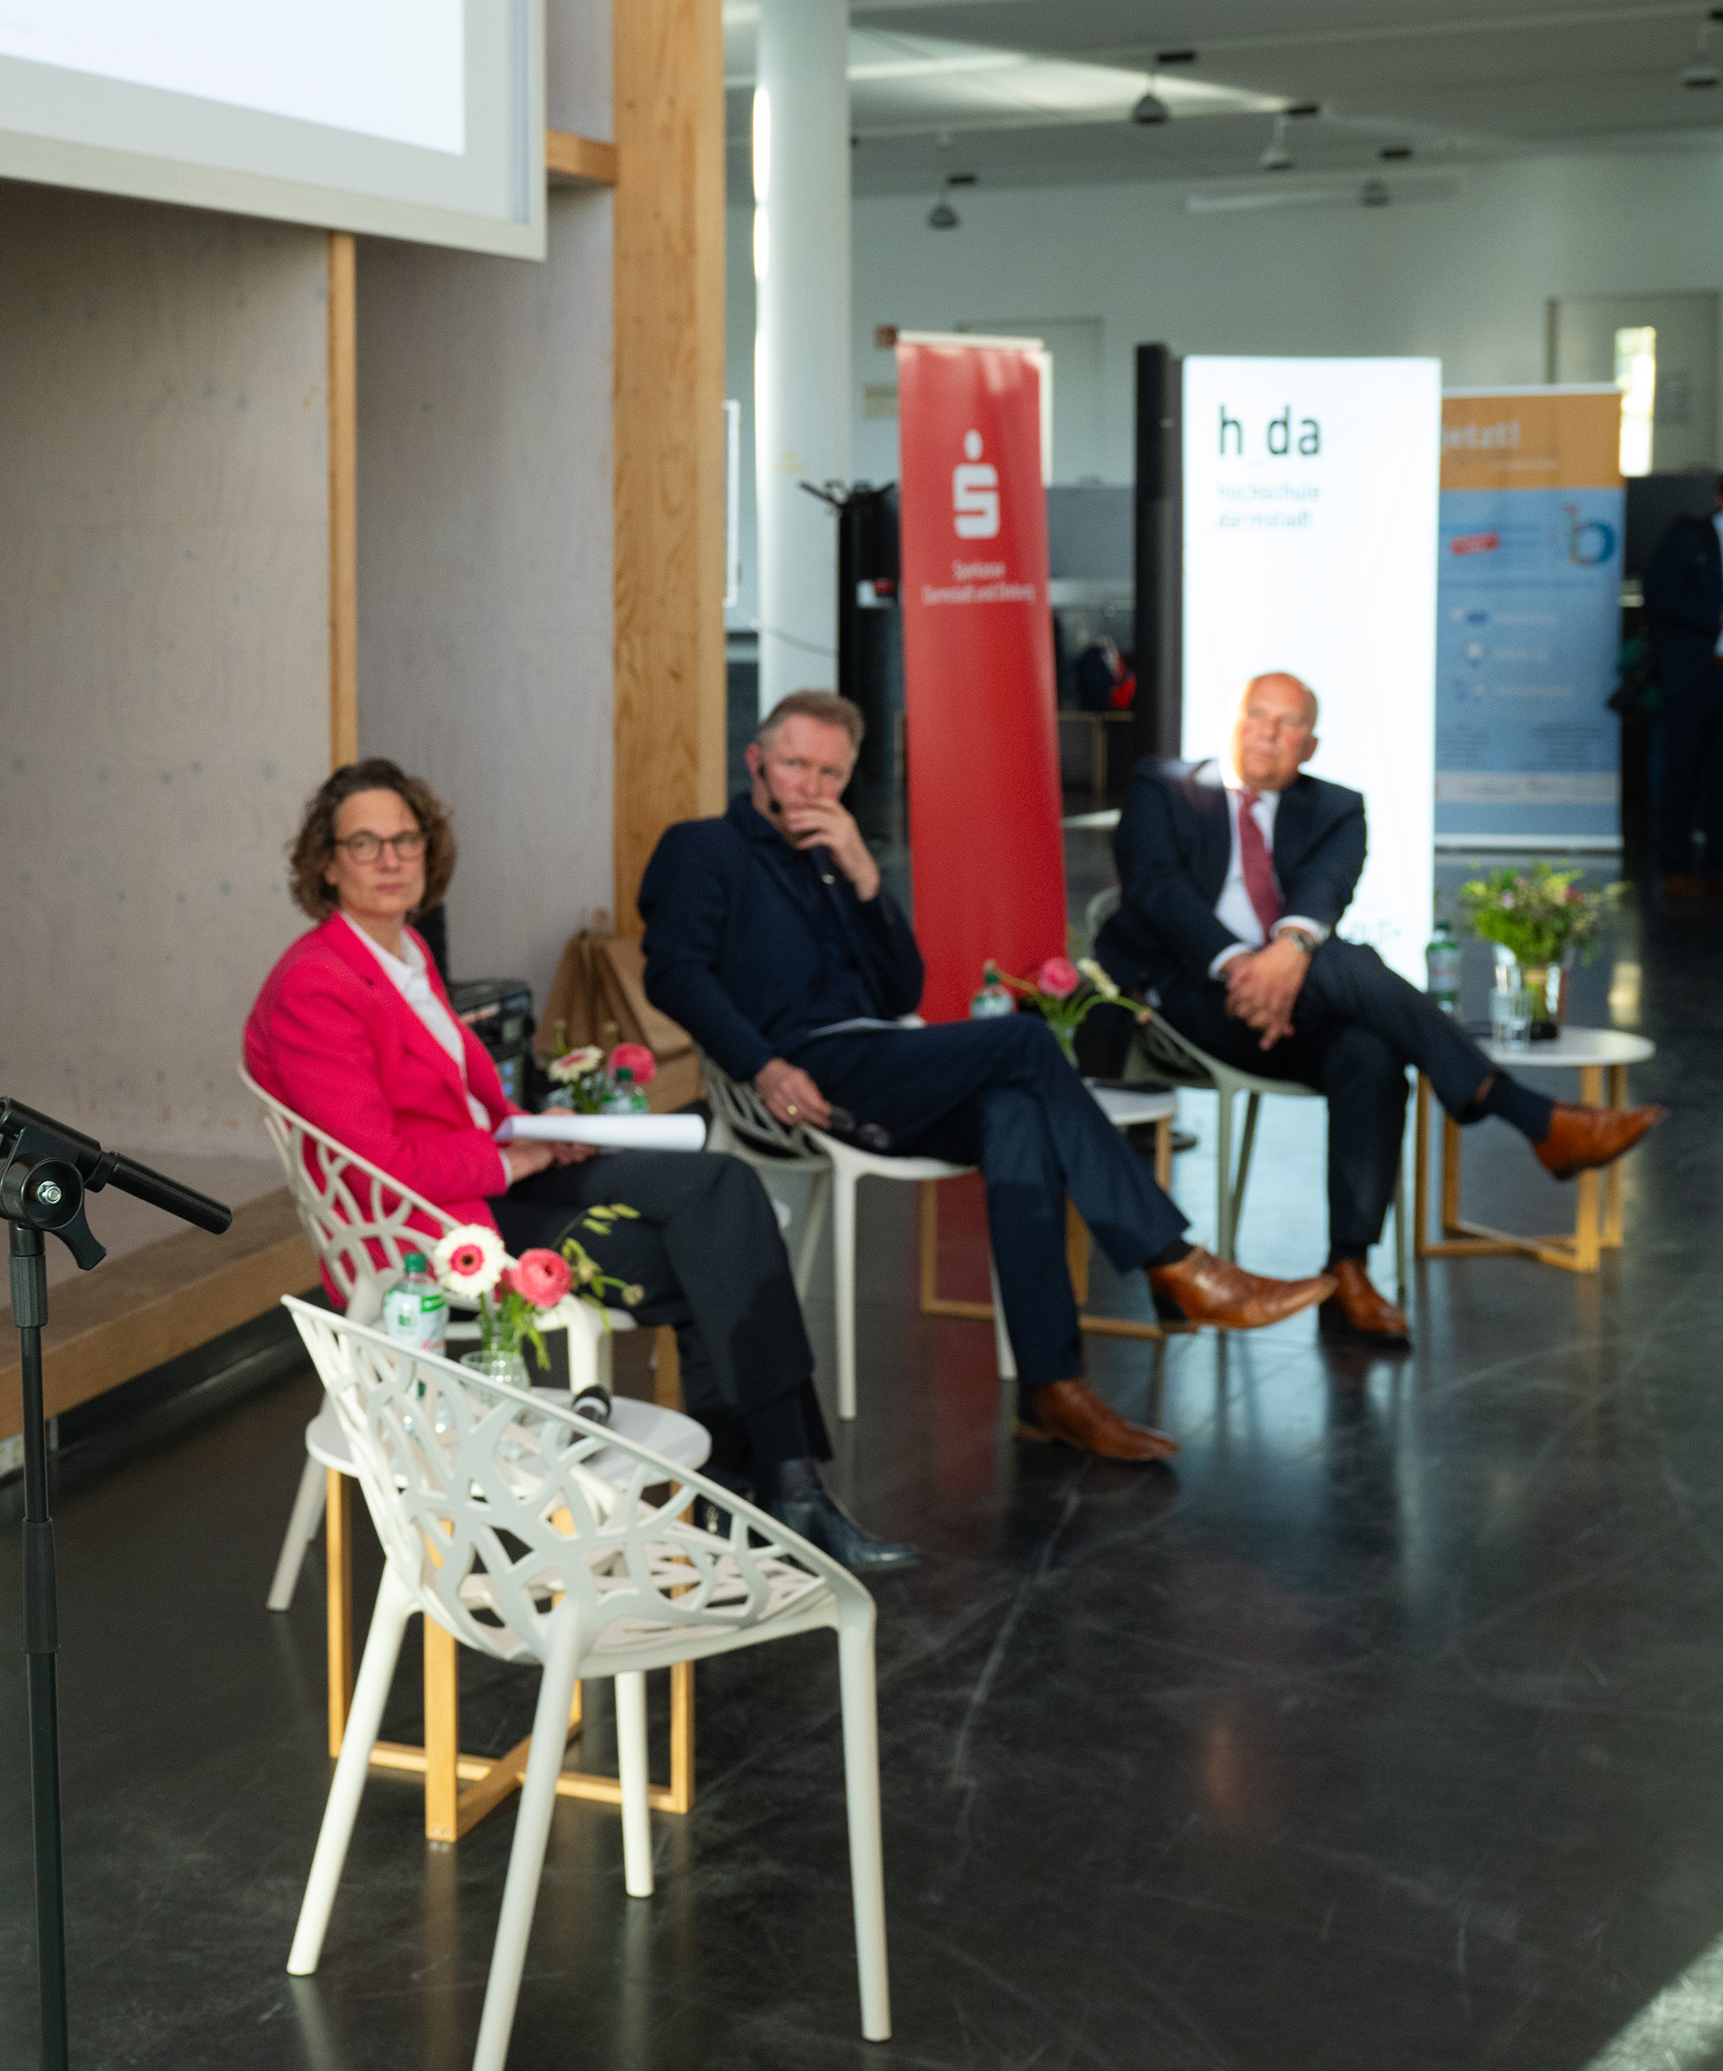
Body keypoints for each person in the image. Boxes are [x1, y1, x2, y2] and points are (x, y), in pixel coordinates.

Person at [244, 758, 915, 1570]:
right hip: (434, 1219)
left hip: (492, 1171)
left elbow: (451, 1103)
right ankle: (772, 1496)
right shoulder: (316, 984)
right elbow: (372, 1162)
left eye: (405, 840)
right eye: (364, 844)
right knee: (718, 1254)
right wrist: (515, 1157)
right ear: (325, 862)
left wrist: (533, 1126)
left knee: (724, 1184)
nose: (390, 860)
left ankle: (763, 1497)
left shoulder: (405, 952)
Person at [640, 690, 1333, 1466]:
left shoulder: (835, 864)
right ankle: (1175, 1263)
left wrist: (866, 879)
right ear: (756, 761)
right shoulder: (703, 848)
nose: (811, 786)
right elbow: (673, 974)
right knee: (1024, 1044)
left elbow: (900, 993)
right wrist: (761, 1065)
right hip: (802, 1071)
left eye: (831, 773)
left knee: (1015, 1114)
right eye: (796, 764)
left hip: (880, 1063)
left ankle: (1052, 1391)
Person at [1096, 672, 1663, 1340]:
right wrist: (1242, 967)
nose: (1268, 734)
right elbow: (1156, 893)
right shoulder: (1164, 787)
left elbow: (1323, 889)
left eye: (1288, 725)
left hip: (1297, 1008)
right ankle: (1529, 1115)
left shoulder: (1335, 807)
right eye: (1257, 715)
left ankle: (1347, 1270)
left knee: (1367, 1049)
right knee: (1340, 963)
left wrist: (1285, 954)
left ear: (1309, 746)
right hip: (1188, 1002)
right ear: (1234, 718)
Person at [1647, 487, 1723, 896]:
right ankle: (1674, 866)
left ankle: (1717, 867)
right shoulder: (1691, 538)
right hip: (1694, 674)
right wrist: (1713, 615)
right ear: (1718, 498)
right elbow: (1657, 594)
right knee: (1682, 773)